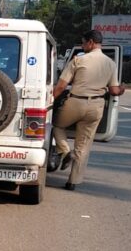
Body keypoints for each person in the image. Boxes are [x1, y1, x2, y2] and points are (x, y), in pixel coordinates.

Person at [53, 30, 125, 191]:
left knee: (56, 125)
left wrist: (50, 100)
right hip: (96, 106)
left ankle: (65, 152)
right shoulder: (110, 64)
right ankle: (73, 182)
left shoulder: (78, 60)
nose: (83, 45)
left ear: (91, 42)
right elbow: (113, 91)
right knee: (83, 145)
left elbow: (61, 86)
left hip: (76, 101)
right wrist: (122, 89)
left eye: (84, 42)